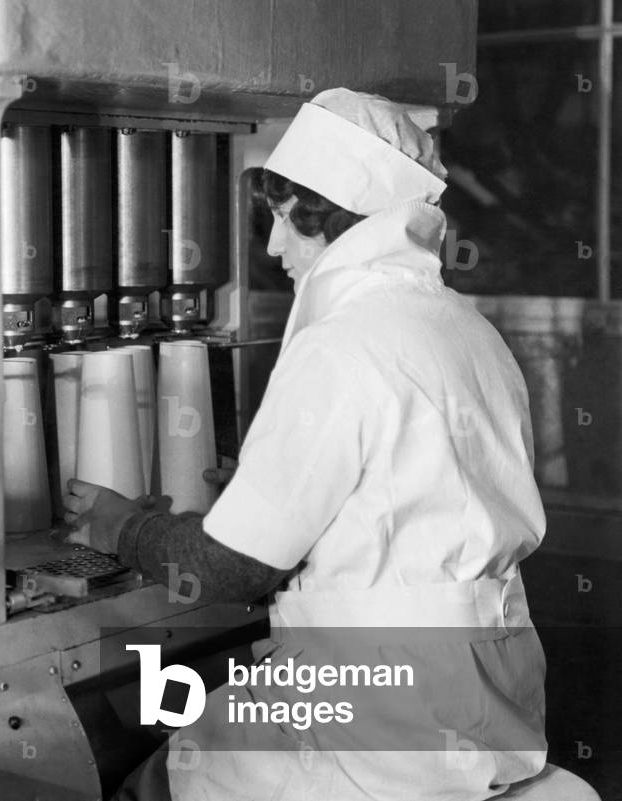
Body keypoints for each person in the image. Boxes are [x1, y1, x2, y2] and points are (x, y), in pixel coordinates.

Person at [63, 88, 547, 800]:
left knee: (160, 781)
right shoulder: (466, 329)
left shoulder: (340, 346)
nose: (271, 247)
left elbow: (227, 573)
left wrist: (121, 524)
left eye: (283, 222)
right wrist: (287, 491)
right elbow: (423, 502)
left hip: (377, 709)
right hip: (492, 693)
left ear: (329, 221)